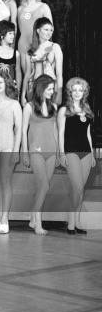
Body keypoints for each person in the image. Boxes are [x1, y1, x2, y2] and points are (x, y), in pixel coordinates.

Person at [21, 74, 59, 235]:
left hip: (51, 151)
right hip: (35, 150)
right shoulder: (29, 107)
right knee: (44, 185)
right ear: (42, 88)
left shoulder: (54, 107)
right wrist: (25, 152)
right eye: (50, 89)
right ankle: (38, 223)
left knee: (42, 188)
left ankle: (33, 218)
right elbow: (23, 131)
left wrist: (58, 152)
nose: (52, 91)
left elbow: (56, 131)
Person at [58, 77, 95, 235]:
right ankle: (71, 223)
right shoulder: (64, 110)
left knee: (80, 191)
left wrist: (92, 154)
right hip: (71, 152)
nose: (77, 93)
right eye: (75, 90)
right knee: (77, 188)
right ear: (70, 92)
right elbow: (60, 133)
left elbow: (88, 134)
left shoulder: (87, 110)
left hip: (86, 153)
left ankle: (76, 223)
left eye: (81, 90)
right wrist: (61, 153)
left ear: (84, 92)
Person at [0, 72, 22, 234]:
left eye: (0, 82)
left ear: (6, 84)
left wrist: (16, 150)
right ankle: (0, 218)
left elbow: (19, 129)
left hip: (8, 146)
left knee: (5, 181)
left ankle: (5, 220)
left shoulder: (14, 104)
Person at [21, 17, 63, 105]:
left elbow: (59, 74)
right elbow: (27, 74)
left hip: (49, 88)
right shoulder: (30, 50)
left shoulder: (55, 47)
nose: (49, 33)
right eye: (46, 30)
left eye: (51, 30)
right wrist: (23, 95)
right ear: (38, 30)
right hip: (33, 88)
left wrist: (59, 93)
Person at [17, 0, 52, 71]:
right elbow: (20, 29)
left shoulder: (44, 7)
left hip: (39, 44)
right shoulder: (20, 9)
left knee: (39, 76)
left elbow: (50, 30)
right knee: (27, 76)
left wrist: (46, 48)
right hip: (23, 45)